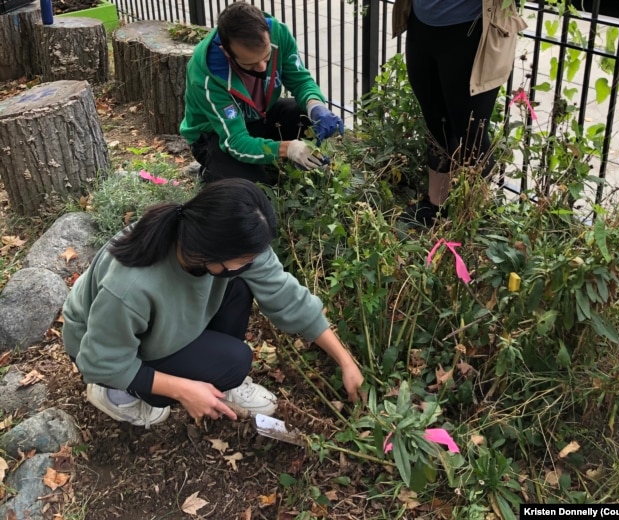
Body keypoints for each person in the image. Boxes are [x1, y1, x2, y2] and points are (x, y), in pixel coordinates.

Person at [62, 179, 363, 428]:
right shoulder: (132, 286)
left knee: (240, 283)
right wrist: (184, 390)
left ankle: (212, 379)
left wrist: (345, 361)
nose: (253, 262)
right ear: (211, 250)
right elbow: (98, 360)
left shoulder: (217, 244)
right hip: (97, 345)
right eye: (244, 259)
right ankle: (115, 393)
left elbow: (288, 297)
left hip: (162, 325)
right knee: (234, 361)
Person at [393, 0, 527, 225]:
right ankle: (436, 208)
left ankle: (473, 219)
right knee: (436, 122)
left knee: (472, 133)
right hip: (422, 25)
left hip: (472, 30)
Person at [180, 1, 344, 185]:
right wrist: (287, 149)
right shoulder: (207, 75)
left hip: (261, 117)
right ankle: (211, 168)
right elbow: (235, 141)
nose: (262, 67)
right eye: (249, 64)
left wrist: (315, 105)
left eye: (266, 57)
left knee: (304, 116)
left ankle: (268, 159)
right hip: (216, 135)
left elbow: (300, 80)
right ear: (226, 52)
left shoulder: (278, 33)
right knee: (252, 189)